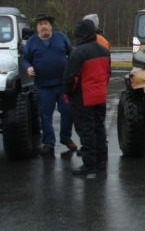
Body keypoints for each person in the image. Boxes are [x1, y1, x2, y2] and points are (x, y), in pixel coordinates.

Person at [23, 13, 77, 155]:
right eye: (40, 24)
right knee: (45, 115)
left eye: (46, 23)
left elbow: (71, 53)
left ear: (51, 26)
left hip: (62, 84)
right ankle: (48, 143)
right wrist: (28, 67)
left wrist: (73, 70)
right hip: (43, 86)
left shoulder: (61, 37)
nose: (44, 26)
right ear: (37, 28)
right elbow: (25, 60)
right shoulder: (32, 42)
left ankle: (66, 138)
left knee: (67, 112)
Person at [63, 19, 111, 176]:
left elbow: (70, 77)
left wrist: (68, 93)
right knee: (99, 128)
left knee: (86, 131)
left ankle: (89, 165)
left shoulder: (78, 52)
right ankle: (102, 162)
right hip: (100, 96)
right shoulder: (104, 50)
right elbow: (108, 74)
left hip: (83, 97)